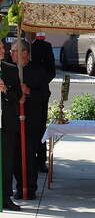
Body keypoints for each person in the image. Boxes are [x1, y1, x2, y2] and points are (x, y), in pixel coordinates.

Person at [12, 40, 49, 200]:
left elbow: (44, 95)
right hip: (13, 119)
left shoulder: (38, 70)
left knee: (28, 156)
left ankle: (30, 188)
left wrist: (28, 91)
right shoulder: (9, 69)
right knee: (15, 156)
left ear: (25, 53)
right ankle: (20, 186)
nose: (11, 53)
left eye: (15, 51)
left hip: (31, 120)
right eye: (11, 51)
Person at [0, 40, 22, 211]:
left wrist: (6, 90)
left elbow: (18, 96)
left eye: (2, 47)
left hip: (6, 124)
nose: (3, 50)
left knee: (6, 163)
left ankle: (5, 197)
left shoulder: (10, 69)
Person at [31, 32, 56, 173]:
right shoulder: (16, 45)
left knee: (40, 126)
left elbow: (51, 71)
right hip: (21, 94)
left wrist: (38, 84)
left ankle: (40, 161)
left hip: (40, 94)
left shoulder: (45, 46)